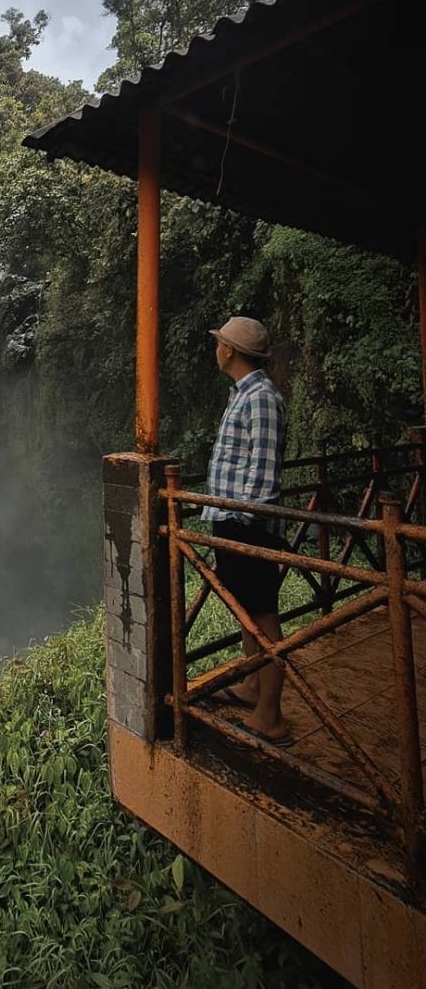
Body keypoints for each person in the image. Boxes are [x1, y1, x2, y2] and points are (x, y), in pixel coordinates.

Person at [201, 316, 290, 745]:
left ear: (230, 351)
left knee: (264, 618)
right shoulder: (244, 394)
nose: (216, 348)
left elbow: (263, 472)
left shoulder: (261, 399)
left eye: (219, 342)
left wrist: (240, 519)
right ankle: (253, 687)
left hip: (246, 525)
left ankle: (270, 716)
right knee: (248, 613)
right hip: (233, 522)